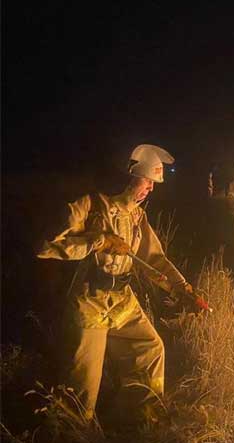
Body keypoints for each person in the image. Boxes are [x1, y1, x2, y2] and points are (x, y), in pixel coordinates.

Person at [37, 144, 197, 424]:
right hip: (90, 301)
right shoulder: (89, 205)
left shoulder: (136, 215)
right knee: (83, 386)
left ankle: (143, 418)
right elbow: (45, 246)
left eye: (153, 183)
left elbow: (154, 260)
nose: (151, 189)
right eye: (147, 181)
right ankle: (71, 441)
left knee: (150, 349)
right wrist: (98, 242)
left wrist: (182, 289)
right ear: (129, 177)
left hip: (122, 299)